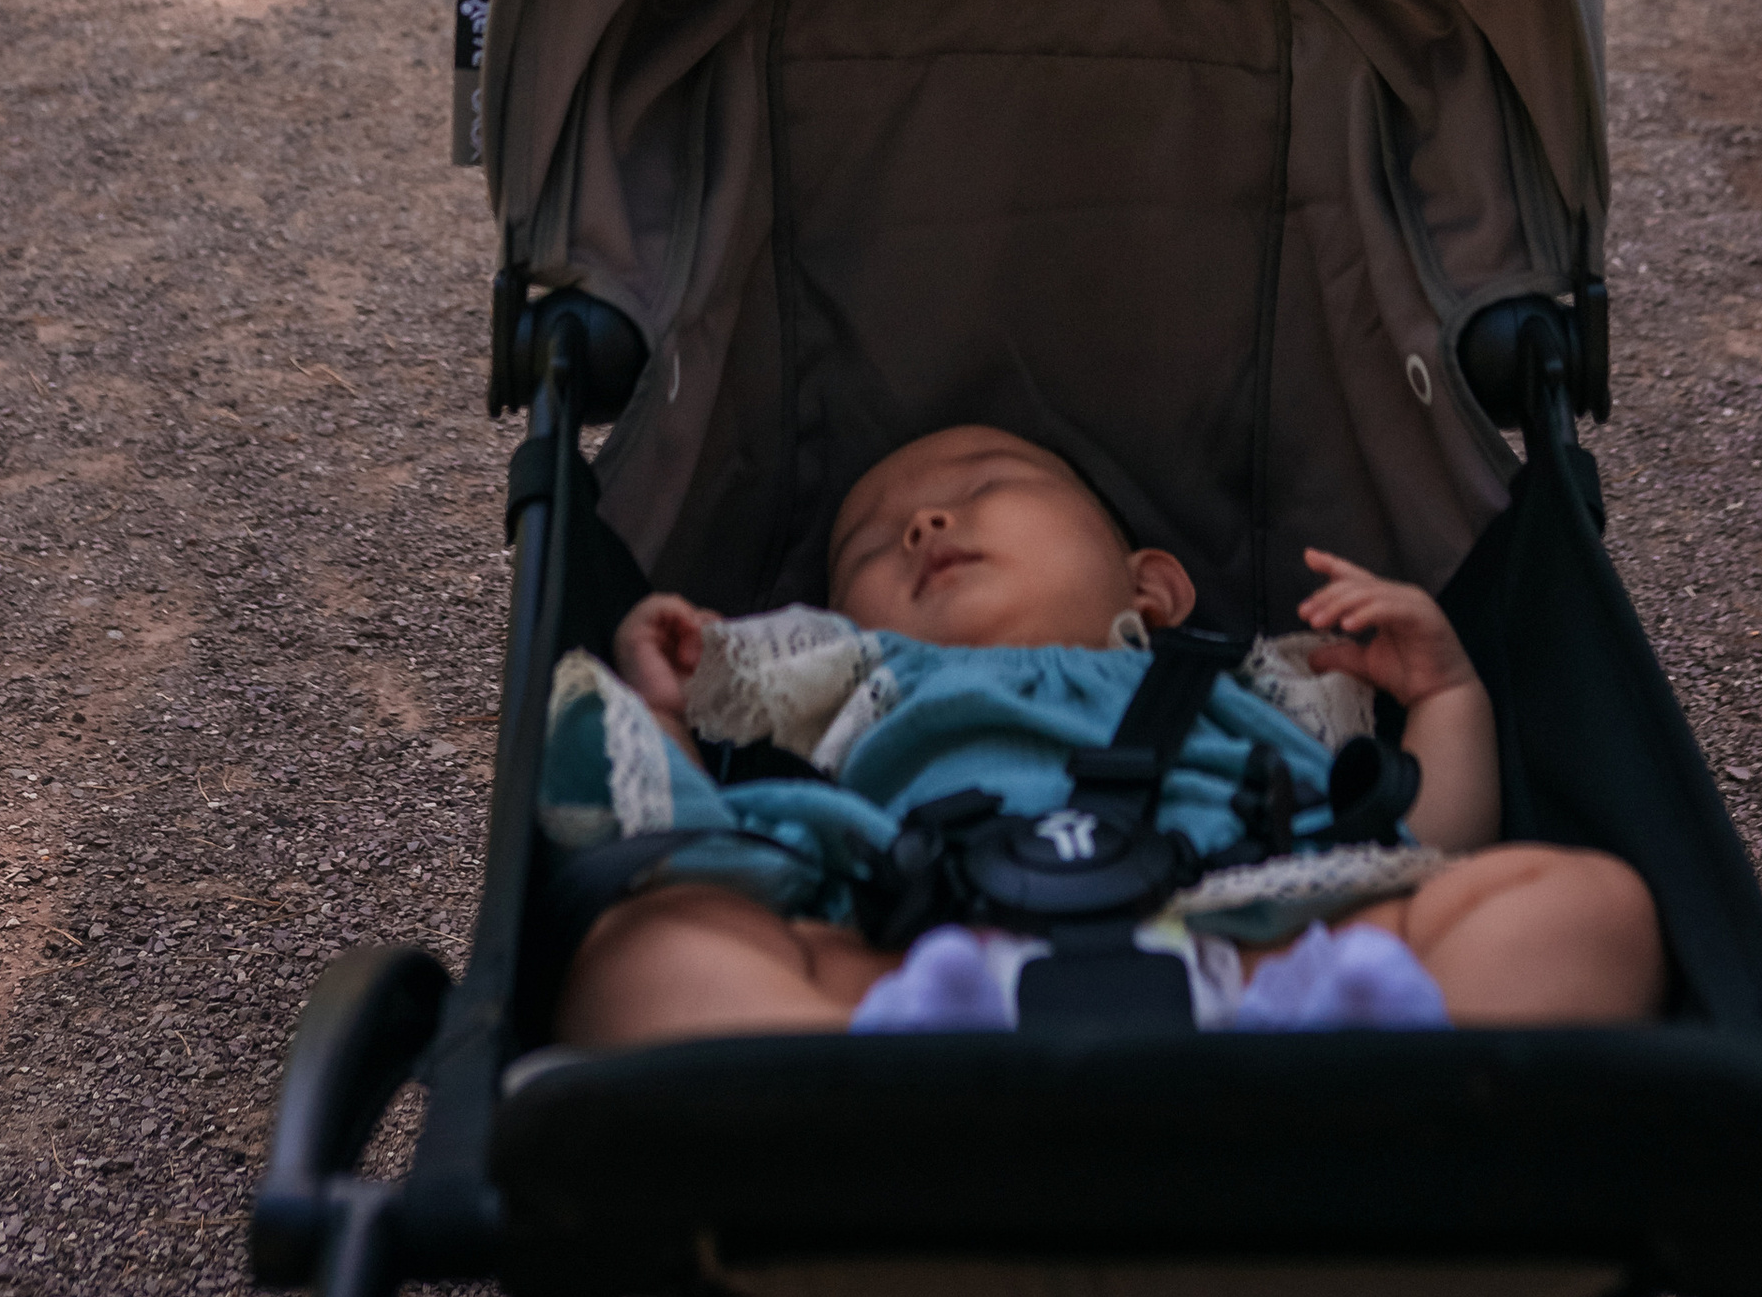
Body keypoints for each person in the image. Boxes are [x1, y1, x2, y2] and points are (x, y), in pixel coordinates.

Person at [545, 426, 1665, 1046]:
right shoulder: (860, 683)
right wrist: (660, 710)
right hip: (922, 956)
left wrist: (1449, 695)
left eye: (986, 486)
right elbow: (687, 839)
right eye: (874, 545)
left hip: (1262, 946)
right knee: (647, 958)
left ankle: (1365, 1075)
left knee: (1585, 905)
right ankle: (885, 1096)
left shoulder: (1258, 679)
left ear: (1155, 586)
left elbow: (1420, 839)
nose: (926, 523)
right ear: (833, 628)